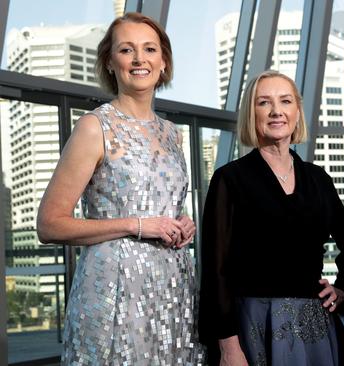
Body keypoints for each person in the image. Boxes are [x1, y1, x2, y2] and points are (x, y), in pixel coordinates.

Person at [36, 12, 205, 364]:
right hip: (114, 286)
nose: (139, 59)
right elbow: (50, 224)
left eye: (149, 49)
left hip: (172, 288)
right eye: (127, 50)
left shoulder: (172, 133)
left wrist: (182, 223)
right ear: (110, 63)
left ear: (163, 62)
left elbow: (165, 204)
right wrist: (135, 224)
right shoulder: (94, 127)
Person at [198, 70, 344, 366]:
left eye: (285, 101)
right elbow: (215, 270)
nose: (276, 111)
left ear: (297, 111)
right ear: (252, 113)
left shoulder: (318, 179)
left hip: (315, 324)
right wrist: (228, 346)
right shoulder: (229, 179)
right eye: (264, 103)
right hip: (252, 324)